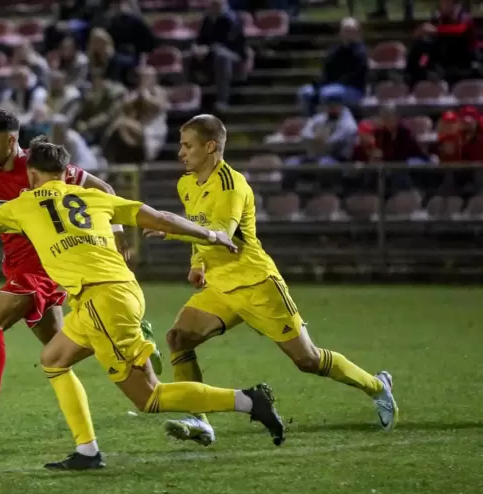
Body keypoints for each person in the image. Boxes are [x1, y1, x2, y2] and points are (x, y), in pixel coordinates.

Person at [0, 138, 286, 470]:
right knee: (54, 358)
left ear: (33, 174)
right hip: (116, 293)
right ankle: (87, 451)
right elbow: (160, 217)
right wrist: (211, 236)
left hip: (101, 300)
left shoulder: (23, 203)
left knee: (149, 398)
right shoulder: (92, 198)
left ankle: (248, 400)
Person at [145, 114, 398, 447]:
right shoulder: (187, 183)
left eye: (187, 145)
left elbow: (219, 234)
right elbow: (198, 227)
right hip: (220, 286)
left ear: (211, 147)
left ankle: (377, 387)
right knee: (178, 338)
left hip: (257, 284)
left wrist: (169, 231)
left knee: (307, 360)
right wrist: (197, 263)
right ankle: (199, 419)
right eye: (181, 145)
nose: (181, 152)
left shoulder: (231, 186)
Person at [0, 109, 162, 433]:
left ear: (11, 141)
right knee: (58, 347)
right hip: (16, 265)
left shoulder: (42, 167)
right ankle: (137, 345)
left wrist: (118, 231)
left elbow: (104, 190)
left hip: (46, 264)